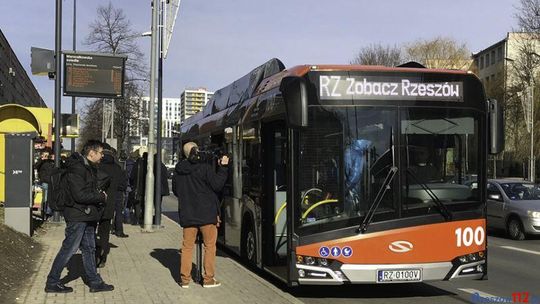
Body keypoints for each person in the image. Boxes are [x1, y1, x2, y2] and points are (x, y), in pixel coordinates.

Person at [44, 140, 114, 293]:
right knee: (69, 248)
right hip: (78, 215)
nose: (102, 156)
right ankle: (52, 282)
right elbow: (80, 195)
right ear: (91, 153)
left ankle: (95, 282)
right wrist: (101, 197)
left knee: (89, 248)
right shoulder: (77, 169)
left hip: (86, 215)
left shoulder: (87, 167)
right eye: (101, 153)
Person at [174, 142, 228, 288]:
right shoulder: (205, 168)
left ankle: (185, 280)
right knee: (209, 246)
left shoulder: (179, 171)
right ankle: (208, 279)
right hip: (206, 214)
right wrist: (223, 168)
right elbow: (217, 185)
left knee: (187, 247)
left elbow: (176, 191)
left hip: (188, 214)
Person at [95, 145, 128, 269]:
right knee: (104, 231)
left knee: (92, 229)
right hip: (110, 204)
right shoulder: (117, 168)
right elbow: (123, 185)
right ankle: (103, 256)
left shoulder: (96, 166)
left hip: (95, 203)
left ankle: (94, 254)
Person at [35, 147, 55, 218]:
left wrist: (55, 159)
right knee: (46, 198)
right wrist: (41, 159)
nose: (47, 156)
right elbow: (35, 166)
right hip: (45, 182)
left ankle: (48, 212)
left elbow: (60, 168)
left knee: (51, 198)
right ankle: (45, 211)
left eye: (48, 155)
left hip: (52, 182)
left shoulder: (52, 162)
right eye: (45, 155)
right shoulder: (41, 162)